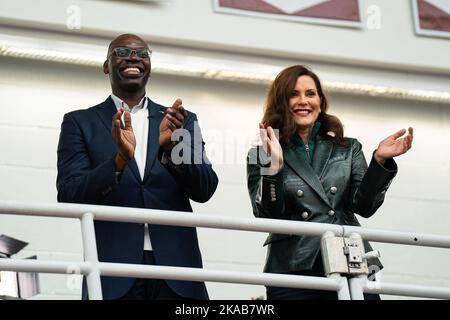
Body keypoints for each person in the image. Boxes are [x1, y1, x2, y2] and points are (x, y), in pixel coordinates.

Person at [57, 34, 218, 300]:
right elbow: (69, 194)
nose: (134, 58)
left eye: (143, 54)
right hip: (112, 270)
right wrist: (119, 161)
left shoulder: (180, 120)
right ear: (106, 66)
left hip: (177, 269)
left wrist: (171, 149)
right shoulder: (79, 122)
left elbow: (205, 189)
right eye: (122, 52)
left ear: (150, 67)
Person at [246, 65, 413, 300]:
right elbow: (267, 214)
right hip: (294, 266)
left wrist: (380, 161)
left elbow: (364, 207)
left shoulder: (348, 148)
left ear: (320, 101)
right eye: (293, 94)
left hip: (351, 260)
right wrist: (273, 168)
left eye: (310, 94)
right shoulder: (261, 151)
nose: (303, 101)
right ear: (281, 102)